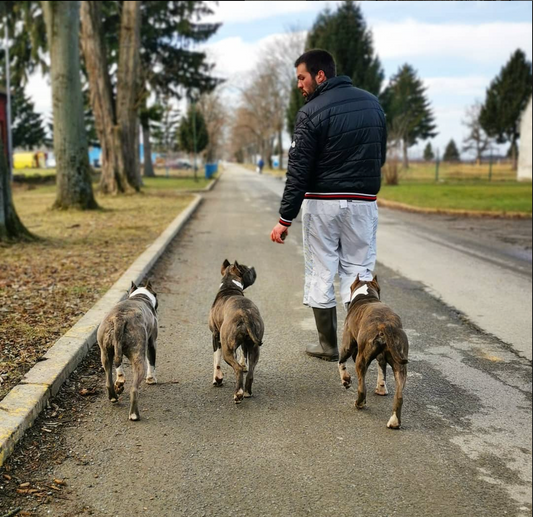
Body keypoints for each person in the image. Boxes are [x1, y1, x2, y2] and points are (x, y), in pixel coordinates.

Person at [270, 49, 387, 361]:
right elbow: (380, 155)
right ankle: (362, 342)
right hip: (363, 203)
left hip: (322, 203)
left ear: (320, 75)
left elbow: (299, 170)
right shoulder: (373, 103)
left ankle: (330, 347)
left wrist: (285, 218)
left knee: (322, 269)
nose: (299, 85)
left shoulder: (311, 112)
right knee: (359, 272)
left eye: (302, 77)